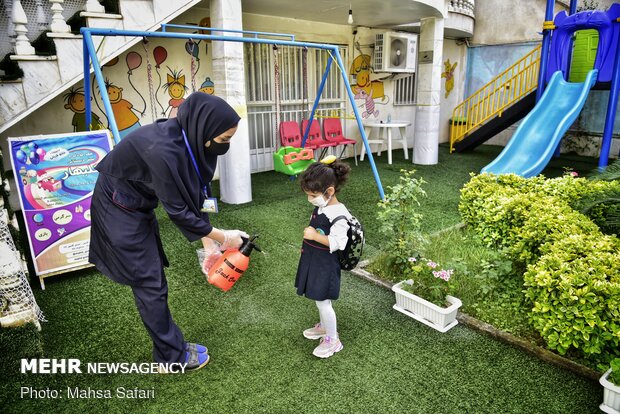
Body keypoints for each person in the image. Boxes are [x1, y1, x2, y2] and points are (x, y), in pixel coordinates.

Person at [89, 92, 248, 371]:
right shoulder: (163, 150)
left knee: (152, 278)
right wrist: (224, 237)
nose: (225, 146)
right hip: (118, 208)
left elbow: (192, 196)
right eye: (223, 140)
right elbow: (179, 211)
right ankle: (170, 357)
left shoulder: (186, 138)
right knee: (149, 282)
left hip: (136, 204)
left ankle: (170, 347)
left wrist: (209, 247)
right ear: (205, 130)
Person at [295, 157, 352, 358]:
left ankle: (333, 339)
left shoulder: (339, 214)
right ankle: (324, 327)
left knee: (323, 302)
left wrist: (315, 236)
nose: (310, 199)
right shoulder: (323, 206)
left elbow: (339, 243)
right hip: (314, 260)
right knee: (318, 297)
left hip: (326, 266)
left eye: (313, 195)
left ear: (330, 192)